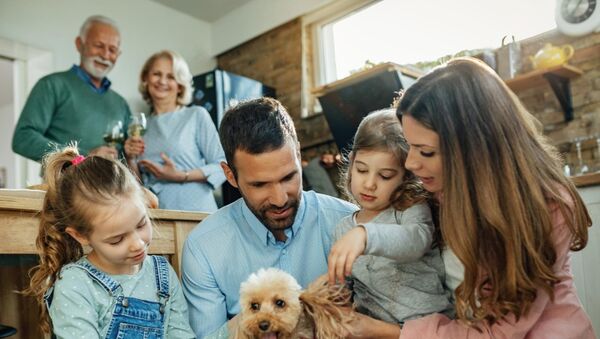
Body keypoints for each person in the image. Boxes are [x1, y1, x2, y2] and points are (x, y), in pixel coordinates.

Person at [344, 57, 595, 338]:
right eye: (410, 146)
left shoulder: (547, 208)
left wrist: (383, 330)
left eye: (426, 152)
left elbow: (495, 333)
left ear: (474, 150)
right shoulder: (440, 191)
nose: (411, 163)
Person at [181, 97, 357, 338]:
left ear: (297, 153)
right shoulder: (203, 248)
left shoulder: (348, 223)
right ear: (230, 176)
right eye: (260, 184)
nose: (279, 199)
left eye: (288, 177)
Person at [23, 145, 195, 338]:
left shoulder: (162, 274)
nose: (138, 244)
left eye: (141, 224)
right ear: (80, 236)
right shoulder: (75, 284)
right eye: (117, 240)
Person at [328, 109, 453, 324]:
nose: (369, 184)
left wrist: (365, 235)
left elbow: (415, 241)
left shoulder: (410, 209)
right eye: (361, 170)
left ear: (405, 177)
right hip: (372, 329)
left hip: (428, 325)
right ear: (351, 164)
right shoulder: (343, 229)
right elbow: (344, 285)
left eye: (385, 176)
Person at [12, 15, 130, 162]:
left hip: (112, 185)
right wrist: (84, 156)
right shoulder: (51, 85)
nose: (105, 55)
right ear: (79, 44)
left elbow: (127, 155)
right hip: (62, 184)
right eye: (99, 45)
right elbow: (23, 139)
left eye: (112, 50)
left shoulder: (121, 104)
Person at [124, 50, 225, 212]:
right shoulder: (141, 126)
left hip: (196, 212)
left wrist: (181, 175)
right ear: (146, 79)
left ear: (180, 85)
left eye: (171, 77)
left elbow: (222, 165)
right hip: (158, 216)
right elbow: (138, 187)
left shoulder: (196, 115)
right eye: (157, 74)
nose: (162, 81)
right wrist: (131, 159)